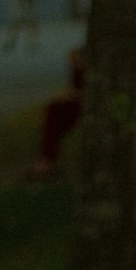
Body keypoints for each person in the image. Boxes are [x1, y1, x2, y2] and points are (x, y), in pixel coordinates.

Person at [27, 47, 85, 179]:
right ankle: (48, 157)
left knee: (53, 113)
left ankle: (48, 158)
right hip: (77, 104)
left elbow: (80, 92)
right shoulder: (79, 67)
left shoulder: (84, 68)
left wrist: (69, 97)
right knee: (53, 112)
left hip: (80, 105)